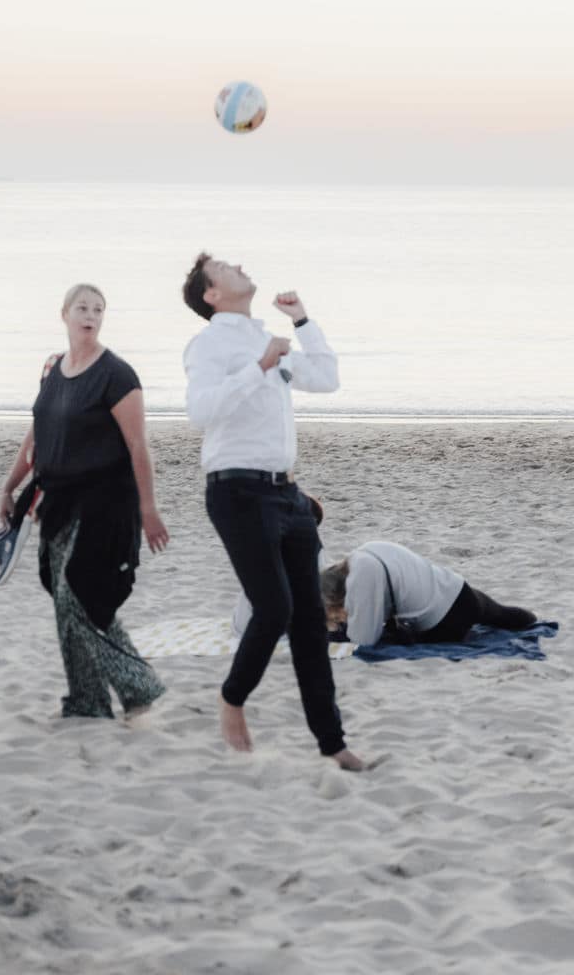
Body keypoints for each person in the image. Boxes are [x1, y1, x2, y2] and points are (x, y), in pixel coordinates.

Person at [183, 253, 366, 770]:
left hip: (288, 492)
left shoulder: (270, 339)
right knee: (273, 608)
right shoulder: (208, 345)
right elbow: (201, 410)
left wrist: (303, 322)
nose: (238, 264)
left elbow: (327, 378)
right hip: (236, 489)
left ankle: (333, 744)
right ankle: (232, 698)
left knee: (310, 621)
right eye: (223, 266)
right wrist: (259, 367)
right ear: (211, 293)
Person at [0, 284, 169, 721]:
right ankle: (88, 700)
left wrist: (149, 510)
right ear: (64, 314)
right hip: (56, 500)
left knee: (81, 594)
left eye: (97, 309)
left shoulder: (118, 375)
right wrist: (9, 485)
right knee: (62, 598)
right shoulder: (52, 368)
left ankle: (139, 685)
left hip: (106, 504)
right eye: (82, 307)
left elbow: (138, 446)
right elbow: (36, 433)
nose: (90, 315)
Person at [232, 527, 538, 647]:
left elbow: (364, 639)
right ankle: (528, 620)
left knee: (394, 636)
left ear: (338, 594)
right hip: (458, 588)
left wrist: (335, 633)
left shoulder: (363, 576)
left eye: (339, 609)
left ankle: (518, 622)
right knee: (502, 614)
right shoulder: (362, 553)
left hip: (443, 621)